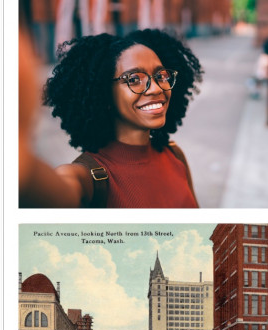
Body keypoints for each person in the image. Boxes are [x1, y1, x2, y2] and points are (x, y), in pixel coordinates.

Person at [19, 28, 203, 208]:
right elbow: (49, 193)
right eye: (134, 79)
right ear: (104, 93)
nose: (156, 88)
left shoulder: (175, 155)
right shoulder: (86, 178)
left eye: (161, 75)